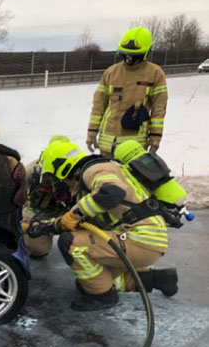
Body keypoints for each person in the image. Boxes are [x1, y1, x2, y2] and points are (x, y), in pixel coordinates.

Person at [29, 137, 177, 311]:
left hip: (140, 239)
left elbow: (112, 192)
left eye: (53, 178)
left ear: (63, 168)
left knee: (71, 244)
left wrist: (75, 214)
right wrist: (49, 226)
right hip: (146, 239)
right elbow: (85, 220)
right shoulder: (94, 176)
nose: (55, 185)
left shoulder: (94, 170)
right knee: (88, 282)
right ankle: (159, 279)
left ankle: (102, 297)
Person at [87, 26, 168, 156]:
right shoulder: (111, 72)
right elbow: (98, 105)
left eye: (134, 55)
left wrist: (155, 137)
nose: (129, 58)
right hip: (107, 144)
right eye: (125, 54)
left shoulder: (155, 74)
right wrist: (92, 132)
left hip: (134, 147)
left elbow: (159, 109)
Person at [21, 135, 74, 258]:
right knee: (39, 248)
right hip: (39, 211)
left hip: (68, 213)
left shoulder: (76, 172)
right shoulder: (35, 168)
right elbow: (16, 185)